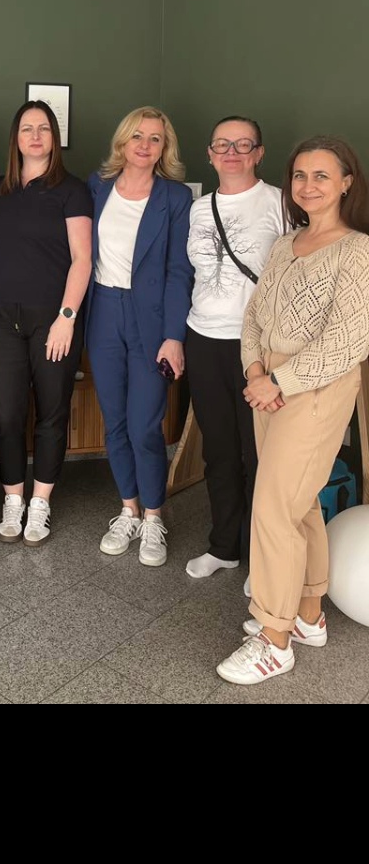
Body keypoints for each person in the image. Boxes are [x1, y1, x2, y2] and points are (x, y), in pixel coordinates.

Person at [217, 136, 369, 685]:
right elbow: (255, 316)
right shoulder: (286, 243)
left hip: (316, 390)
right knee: (299, 506)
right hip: (269, 385)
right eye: (300, 175)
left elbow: (348, 341)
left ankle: (274, 639)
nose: (308, 185)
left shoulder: (357, 251)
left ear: (346, 183)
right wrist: (256, 371)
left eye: (321, 175)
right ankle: (307, 616)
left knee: (274, 509)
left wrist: (277, 380)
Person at [86, 106, 193, 567]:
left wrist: (174, 336)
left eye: (155, 138)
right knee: (114, 421)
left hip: (151, 320)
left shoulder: (176, 197)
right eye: (137, 136)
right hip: (103, 313)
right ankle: (128, 509)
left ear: (165, 147)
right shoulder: (97, 186)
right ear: (123, 142)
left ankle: (153, 516)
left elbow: (179, 271)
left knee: (145, 425)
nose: (145, 145)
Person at [0, 100, 92, 545]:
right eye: (27, 128)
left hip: (54, 320)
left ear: (54, 137)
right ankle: (13, 499)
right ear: (15, 137)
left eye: (43, 128)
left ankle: (41, 502)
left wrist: (67, 318)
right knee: (6, 414)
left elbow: (82, 259)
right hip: (0, 319)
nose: (35, 136)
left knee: (52, 412)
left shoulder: (72, 190)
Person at [184, 117, 284, 580]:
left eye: (243, 145)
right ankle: (224, 546)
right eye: (222, 144)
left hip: (258, 348)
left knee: (259, 453)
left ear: (259, 153)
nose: (232, 152)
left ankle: (260, 557)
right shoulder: (198, 209)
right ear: (209, 154)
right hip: (204, 339)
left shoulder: (280, 204)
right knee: (219, 451)